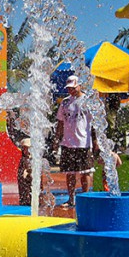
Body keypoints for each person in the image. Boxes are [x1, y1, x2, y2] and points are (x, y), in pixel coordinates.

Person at [53, 75, 97, 207]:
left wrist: (96, 141)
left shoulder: (87, 101)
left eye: (73, 87)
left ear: (79, 85)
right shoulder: (65, 102)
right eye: (68, 88)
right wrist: (56, 139)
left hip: (83, 142)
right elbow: (60, 122)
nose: (70, 90)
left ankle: (86, 198)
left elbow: (95, 123)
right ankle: (71, 199)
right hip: (67, 143)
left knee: (85, 172)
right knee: (69, 172)